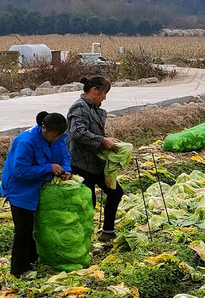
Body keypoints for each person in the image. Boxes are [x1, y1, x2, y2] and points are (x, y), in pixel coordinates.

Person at [0, 112, 72, 276]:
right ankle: (19, 269)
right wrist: (48, 168)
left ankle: (33, 260)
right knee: (23, 229)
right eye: (55, 135)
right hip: (20, 189)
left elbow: (64, 157)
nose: (57, 138)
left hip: (40, 186)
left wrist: (66, 170)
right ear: (44, 128)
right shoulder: (26, 141)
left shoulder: (58, 138)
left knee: (38, 225)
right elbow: (20, 170)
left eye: (59, 135)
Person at [67, 76, 124, 239]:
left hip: (96, 161)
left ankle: (107, 232)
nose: (104, 98)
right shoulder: (79, 107)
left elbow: (91, 131)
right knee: (88, 201)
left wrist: (107, 139)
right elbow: (77, 133)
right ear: (94, 90)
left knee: (115, 192)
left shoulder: (92, 107)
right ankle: (82, 238)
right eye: (104, 93)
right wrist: (102, 141)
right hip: (81, 162)